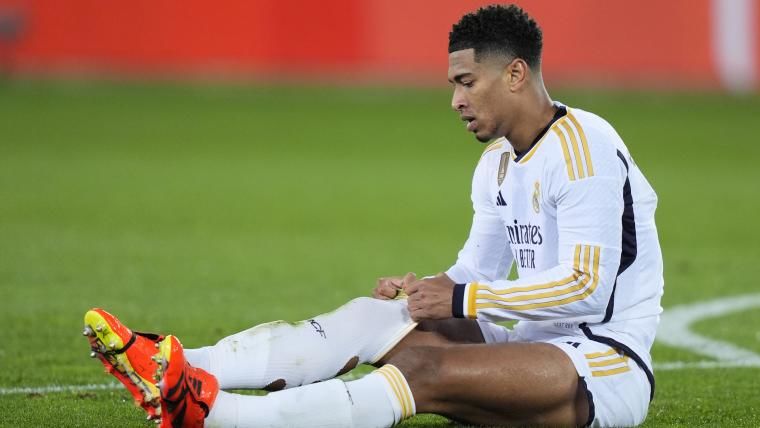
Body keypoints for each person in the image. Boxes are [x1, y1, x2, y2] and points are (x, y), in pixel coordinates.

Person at [84, 4, 663, 427]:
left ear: (515, 74)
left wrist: (460, 299)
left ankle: (214, 415)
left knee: (424, 373)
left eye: (466, 82)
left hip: (604, 366)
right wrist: (428, 291)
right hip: (530, 347)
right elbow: (475, 273)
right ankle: (173, 363)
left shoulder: (584, 148)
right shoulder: (497, 163)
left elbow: (586, 289)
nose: (456, 101)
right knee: (377, 314)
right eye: (453, 85)